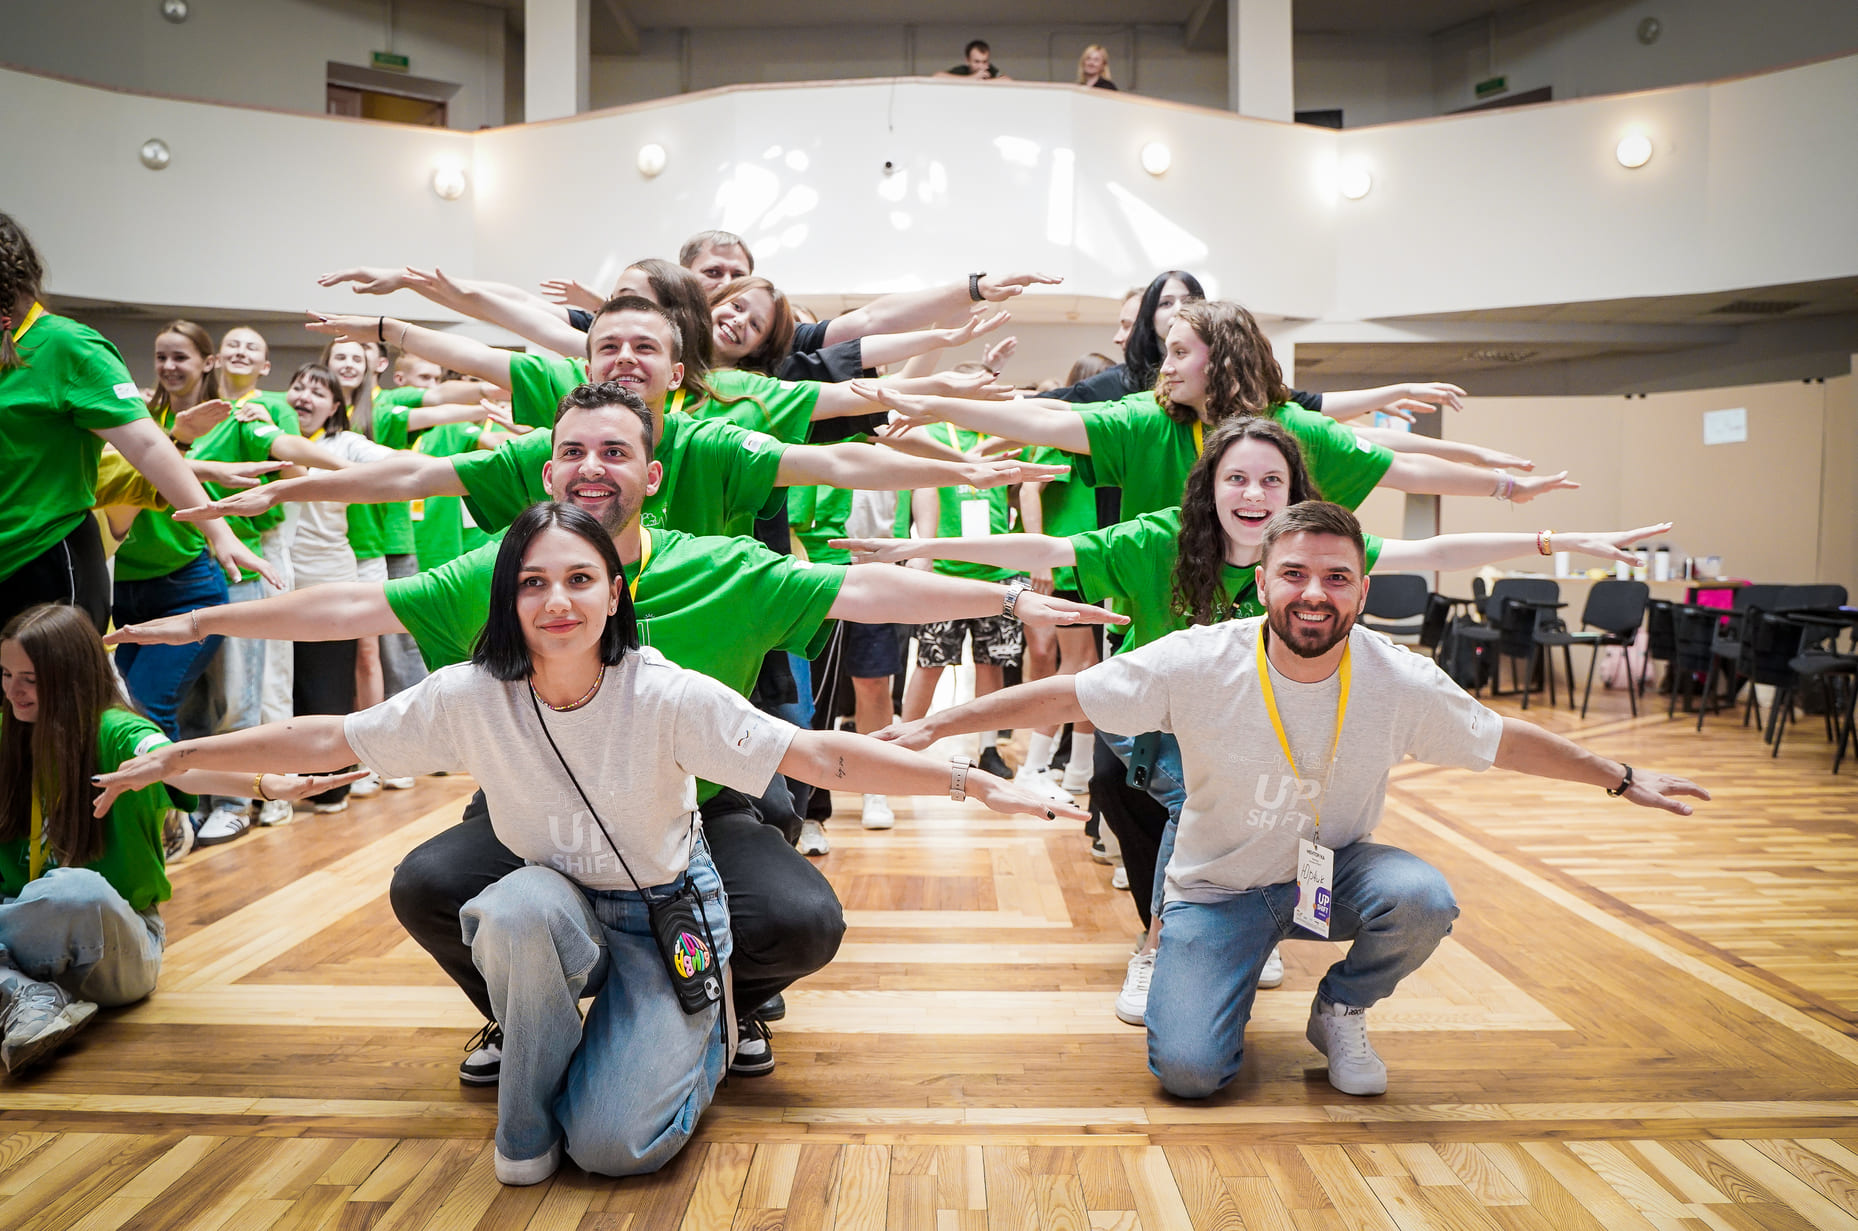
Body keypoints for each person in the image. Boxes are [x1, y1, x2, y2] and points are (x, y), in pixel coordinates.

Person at [109, 381, 1128, 1084]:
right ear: (546, 470)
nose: (590, 468)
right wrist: (203, 623)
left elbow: (862, 592)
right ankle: (524, 1010)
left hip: (698, 812)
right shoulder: (511, 571)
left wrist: (1006, 598)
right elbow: (351, 613)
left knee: (801, 916)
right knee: (427, 882)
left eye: (614, 452)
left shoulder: (719, 566)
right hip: (538, 810)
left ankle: (720, 996)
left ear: (653, 472)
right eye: (572, 451)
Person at [96, 502, 1082, 1181]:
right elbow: (330, 740)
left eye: (579, 578)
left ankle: (691, 1032)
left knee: (614, 1148)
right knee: (512, 907)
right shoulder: (472, 694)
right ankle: (527, 1112)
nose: (556, 600)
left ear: (615, 591)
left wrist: (971, 782)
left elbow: (821, 756)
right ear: (508, 599)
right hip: (557, 905)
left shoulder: (667, 693)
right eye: (533, 582)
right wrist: (178, 756)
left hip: (660, 916)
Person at [838, 416, 1671, 1023]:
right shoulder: (1162, 539)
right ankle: (1165, 943)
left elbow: (1435, 555)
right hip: (1153, 720)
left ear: (1295, 497)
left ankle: (1246, 927)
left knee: (1252, 793)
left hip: (1254, 739)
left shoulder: (1316, 560)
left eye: (1273, 481)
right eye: (1237, 478)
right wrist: (915, 556)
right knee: (1183, 788)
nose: (1254, 494)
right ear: (1210, 487)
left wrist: (1555, 540)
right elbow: (1043, 554)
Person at [0, 604, 357, 1072]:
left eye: (29, 678)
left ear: (68, 675)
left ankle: (16, 988)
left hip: (114, 951)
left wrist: (264, 784)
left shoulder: (118, 731)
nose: (13, 691)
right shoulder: (8, 734)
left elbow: (177, 766)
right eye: (5, 674)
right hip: (29, 941)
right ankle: (31, 998)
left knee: (74, 891)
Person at [855, 298, 1572, 522]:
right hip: (1157, 631)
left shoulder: (1288, 431)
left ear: (1220, 361)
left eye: (1178, 351)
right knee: (1120, 790)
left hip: (1254, 640)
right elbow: (1041, 421)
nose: (1164, 365)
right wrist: (926, 399)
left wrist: (1503, 485)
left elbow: (1404, 469)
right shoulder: (1145, 420)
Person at [0, 212, 269, 634]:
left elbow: (146, 448)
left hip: (43, 559)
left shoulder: (68, 347)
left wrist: (218, 532)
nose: (169, 367)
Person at [940, 40, 1005, 79]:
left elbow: (1006, 80)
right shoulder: (962, 70)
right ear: (968, 61)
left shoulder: (990, 69)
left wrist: (985, 82)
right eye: (977, 62)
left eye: (984, 62)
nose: (980, 66)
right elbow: (938, 76)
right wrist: (973, 78)